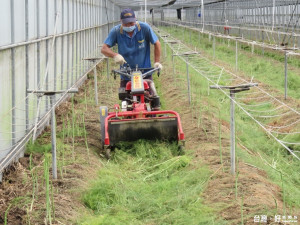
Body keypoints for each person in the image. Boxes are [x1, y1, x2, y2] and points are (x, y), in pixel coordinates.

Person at [101, 8, 162, 89]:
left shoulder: (144, 28)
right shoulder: (116, 31)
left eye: (131, 23)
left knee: (152, 97)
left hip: (145, 73)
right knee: (124, 97)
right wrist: (115, 55)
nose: (129, 26)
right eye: (126, 24)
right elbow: (104, 49)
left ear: (135, 19)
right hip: (126, 74)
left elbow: (157, 43)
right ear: (121, 21)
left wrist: (157, 62)